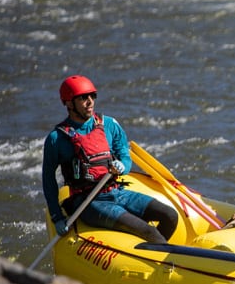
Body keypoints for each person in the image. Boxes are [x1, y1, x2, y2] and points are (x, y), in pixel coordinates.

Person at [42, 75, 178, 243]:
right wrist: (57, 217)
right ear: (69, 103)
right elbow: (48, 179)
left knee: (170, 216)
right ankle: (163, 260)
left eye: (93, 96)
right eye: (83, 98)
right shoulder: (56, 139)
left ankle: (153, 253)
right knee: (150, 232)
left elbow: (125, 157)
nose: (90, 101)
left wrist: (122, 166)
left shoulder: (110, 125)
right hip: (89, 202)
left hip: (117, 192)